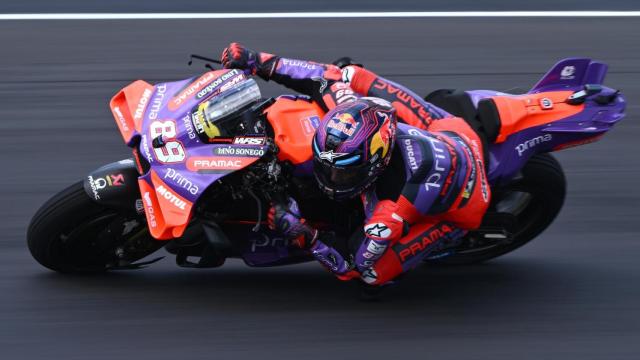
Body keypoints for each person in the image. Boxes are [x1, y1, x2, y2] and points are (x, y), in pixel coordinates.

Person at [221, 43, 491, 285]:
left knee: (371, 275)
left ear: (374, 166)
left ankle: (450, 234)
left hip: (466, 200)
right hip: (448, 129)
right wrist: (256, 60)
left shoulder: (387, 213)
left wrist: (304, 233)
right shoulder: (348, 108)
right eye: (326, 165)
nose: (329, 177)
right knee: (348, 74)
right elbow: (323, 76)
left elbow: (350, 264)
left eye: (343, 172)